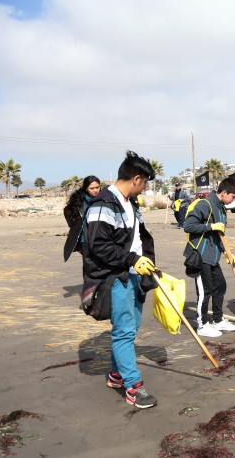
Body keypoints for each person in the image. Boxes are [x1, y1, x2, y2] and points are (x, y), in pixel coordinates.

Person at [83, 151, 158, 408]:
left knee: (131, 327)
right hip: (116, 277)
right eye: (145, 182)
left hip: (135, 275)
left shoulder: (129, 203)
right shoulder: (104, 204)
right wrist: (132, 260)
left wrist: (144, 261)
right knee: (124, 331)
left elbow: (138, 238)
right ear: (135, 178)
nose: (145, 187)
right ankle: (133, 387)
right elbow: (98, 246)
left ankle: (116, 375)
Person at [183, 176, 235, 337]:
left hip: (213, 255)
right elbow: (188, 226)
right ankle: (202, 325)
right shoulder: (205, 204)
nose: (234, 200)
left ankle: (217, 319)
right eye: (233, 196)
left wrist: (227, 253)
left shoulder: (222, 209)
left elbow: (219, 235)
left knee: (220, 286)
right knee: (205, 290)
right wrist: (210, 226)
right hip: (200, 255)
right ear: (224, 192)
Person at [63, 175, 101, 264]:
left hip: (102, 239)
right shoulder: (79, 202)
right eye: (92, 188)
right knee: (89, 268)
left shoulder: (105, 200)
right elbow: (68, 213)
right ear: (86, 188)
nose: (96, 190)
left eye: (97, 187)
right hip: (85, 241)